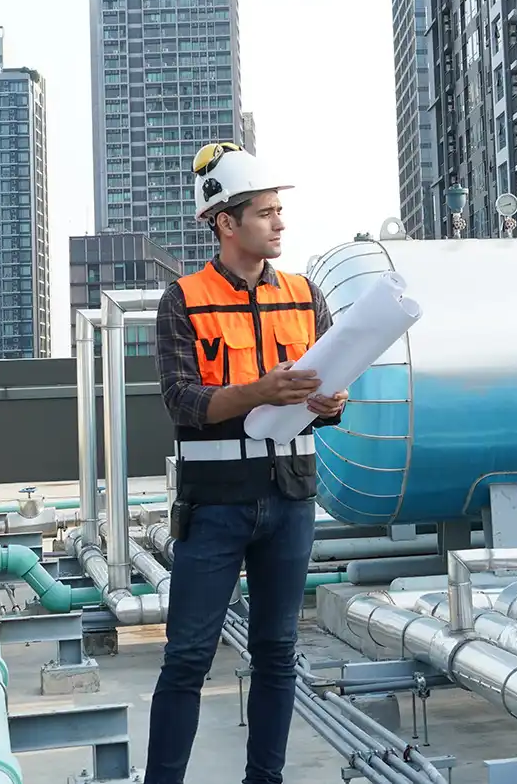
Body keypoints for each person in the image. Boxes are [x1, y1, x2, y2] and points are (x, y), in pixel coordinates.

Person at [147, 141, 348, 784]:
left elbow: (330, 391)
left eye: (279, 210)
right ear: (225, 223)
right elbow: (182, 401)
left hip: (290, 499)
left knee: (278, 654)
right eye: (265, 212)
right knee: (187, 657)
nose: (280, 223)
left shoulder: (306, 295)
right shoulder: (184, 299)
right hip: (215, 503)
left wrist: (331, 402)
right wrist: (259, 392)